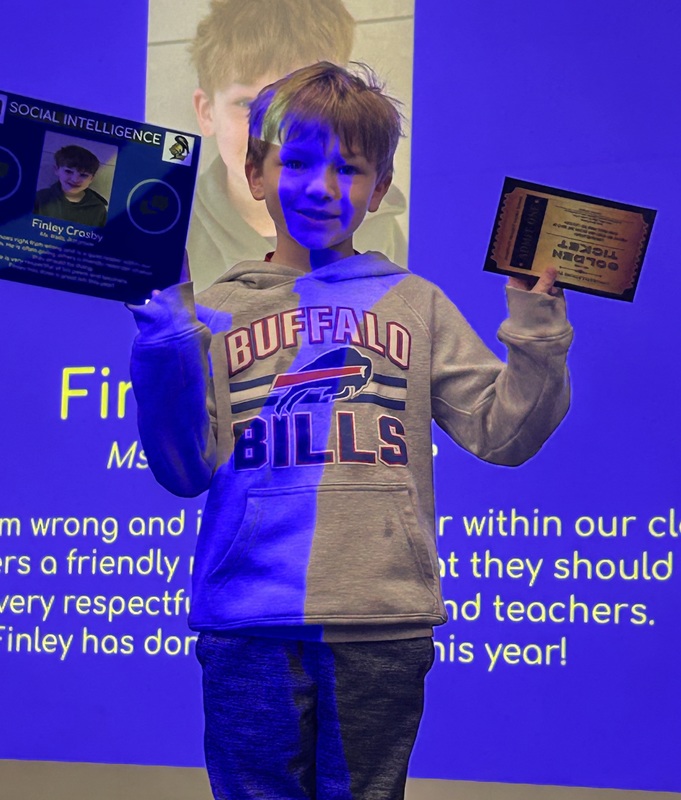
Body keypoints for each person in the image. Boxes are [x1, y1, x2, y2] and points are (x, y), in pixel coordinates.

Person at [129, 62, 573, 800]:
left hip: (380, 619)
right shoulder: (210, 310)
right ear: (255, 171)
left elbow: (504, 435)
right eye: (296, 163)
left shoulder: (414, 302)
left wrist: (535, 329)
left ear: (380, 184)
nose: (321, 187)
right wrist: (165, 339)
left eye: (349, 167)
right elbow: (182, 469)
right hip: (249, 621)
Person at [187, 0, 408, 291]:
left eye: (298, 106)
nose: (273, 129)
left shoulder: (383, 232)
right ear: (206, 112)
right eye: (246, 104)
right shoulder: (179, 228)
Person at [34, 144, 108, 227]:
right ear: (56, 170)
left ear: (92, 179)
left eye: (83, 175)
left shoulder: (98, 209)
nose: (75, 180)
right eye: (68, 171)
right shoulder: (40, 198)